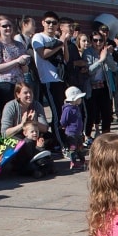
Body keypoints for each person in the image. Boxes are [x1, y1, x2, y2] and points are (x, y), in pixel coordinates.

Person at [32, 11, 70, 152]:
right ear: (43, 23)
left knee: (63, 112)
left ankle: (61, 140)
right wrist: (60, 43)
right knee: (56, 113)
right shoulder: (38, 37)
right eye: (48, 22)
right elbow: (43, 54)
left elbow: (66, 59)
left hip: (60, 79)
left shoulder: (57, 39)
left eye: (54, 23)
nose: (51, 25)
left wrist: (63, 43)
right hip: (47, 80)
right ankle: (60, 143)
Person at [0, 15, 30, 113]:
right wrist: (16, 61)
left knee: (21, 113)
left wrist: (23, 62)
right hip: (4, 84)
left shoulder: (19, 44)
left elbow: (26, 70)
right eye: (4, 26)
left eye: (10, 26)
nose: (8, 28)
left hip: (19, 84)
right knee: (9, 114)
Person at [83, 31, 117, 140]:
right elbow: (89, 71)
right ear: (91, 41)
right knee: (91, 113)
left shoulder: (105, 51)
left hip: (104, 86)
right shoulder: (87, 52)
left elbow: (114, 68)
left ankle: (106, 135)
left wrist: (106, 56)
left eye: (100, 40)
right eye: (95, 40)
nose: (98, 43)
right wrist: (101, 60)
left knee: (107, 113)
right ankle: (87, 136)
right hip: (91, 87)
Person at [60, 86, 87, 170]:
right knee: (73, 148)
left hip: (78, 132)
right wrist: (64, 126)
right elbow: (63, 120)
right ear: (74, 99)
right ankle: (73, 162)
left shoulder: (76, 107)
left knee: (80, 148)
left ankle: (82, 161)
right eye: (79, 98)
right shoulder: (68, 109)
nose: (81, 99)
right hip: (71, 133)